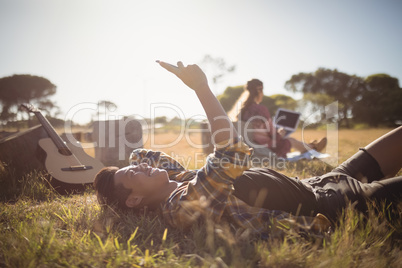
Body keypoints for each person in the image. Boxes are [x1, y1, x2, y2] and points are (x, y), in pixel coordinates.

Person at [94, 61, 402, 237]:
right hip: (339, 207)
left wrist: (117, 174)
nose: (140, 165)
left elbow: (142, 156)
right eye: (133, 174)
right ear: (134, 198)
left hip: (323, 181)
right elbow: (231, 153)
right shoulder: (179, 208)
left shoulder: (176, 177)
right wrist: (201, 88)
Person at [228, 78, 327, 158]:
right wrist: (279, 133)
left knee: (288, 139)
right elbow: (272, 133)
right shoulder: (260, 109)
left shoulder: (241, 110)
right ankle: (313, 148)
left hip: (252, 144)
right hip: (266, 146)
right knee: (289, 140)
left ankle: (311, 146)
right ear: (259, 90)